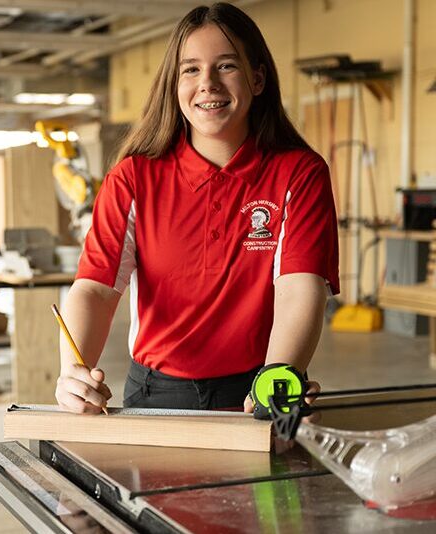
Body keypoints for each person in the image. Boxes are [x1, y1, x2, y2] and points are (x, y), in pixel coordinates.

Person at [55, 2, 340, 415]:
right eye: (190, 69)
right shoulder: (133, 178)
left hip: (257, 389)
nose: (207, 83)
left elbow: (300, 288)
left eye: (226, 66)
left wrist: (279, 380)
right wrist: (73, 375)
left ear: (257, 78)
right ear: (174, 84)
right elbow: (96, 290)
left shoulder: (300, 173)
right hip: (154, 395)